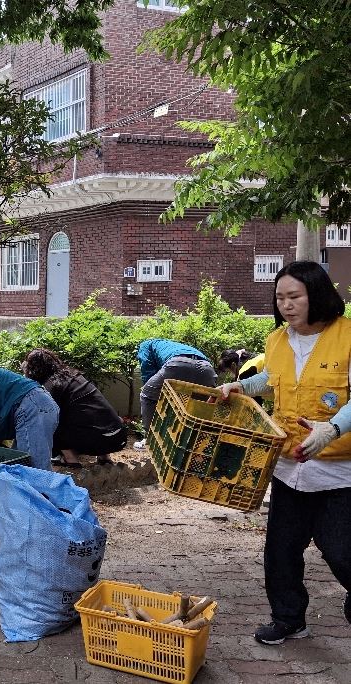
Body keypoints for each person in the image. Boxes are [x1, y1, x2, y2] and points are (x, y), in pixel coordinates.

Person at [217, 261, 351, 645]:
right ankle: (289, 619)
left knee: (341, 550)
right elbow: (272, 379)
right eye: (280, 298)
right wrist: (243, 388)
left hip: (338, 469)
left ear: (318, 295)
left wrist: (332, 428)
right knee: (281, 550)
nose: (286, 305)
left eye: (295, 296)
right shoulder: (277, 339)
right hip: (289, 466)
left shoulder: (348, 336)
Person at [23, 348, 128, 467]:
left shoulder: (51, 387)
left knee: (49, 421)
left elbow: (47, 420)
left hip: (97, 442)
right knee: (94, 417)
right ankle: (104, 457)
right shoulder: (75, 376)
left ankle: (70, 459)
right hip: (119, 438)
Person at [135, 338, 217, 448]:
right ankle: (199, 444)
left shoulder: (145, 345)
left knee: (147, 394)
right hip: (206, 368)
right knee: (200, 406)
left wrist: (154, 393)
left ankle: (149, 439)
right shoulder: (171, 345)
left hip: (178, 364)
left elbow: (147, 373)